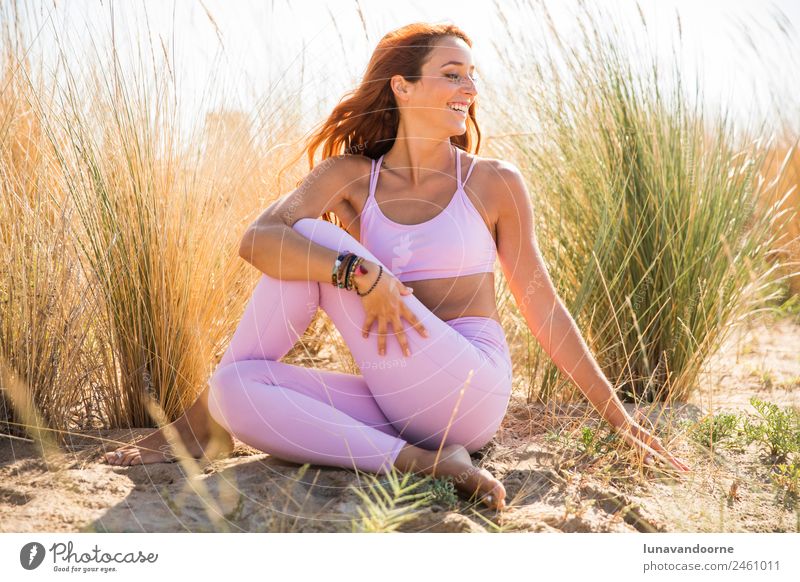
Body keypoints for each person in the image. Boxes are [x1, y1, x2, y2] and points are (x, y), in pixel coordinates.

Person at [103, 23, 690, 511]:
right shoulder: (353, 176)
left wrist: (620, 419)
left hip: (469, 385)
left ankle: (199, 428)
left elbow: (542, 304)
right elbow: (255, 238)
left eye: (471, 76)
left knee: (309, 238)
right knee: (236, 385)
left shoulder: (491, 181)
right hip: (396, 403)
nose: (468, 88)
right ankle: (414, 461)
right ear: (403, 87)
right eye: (451, 75)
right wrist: (364, 274)